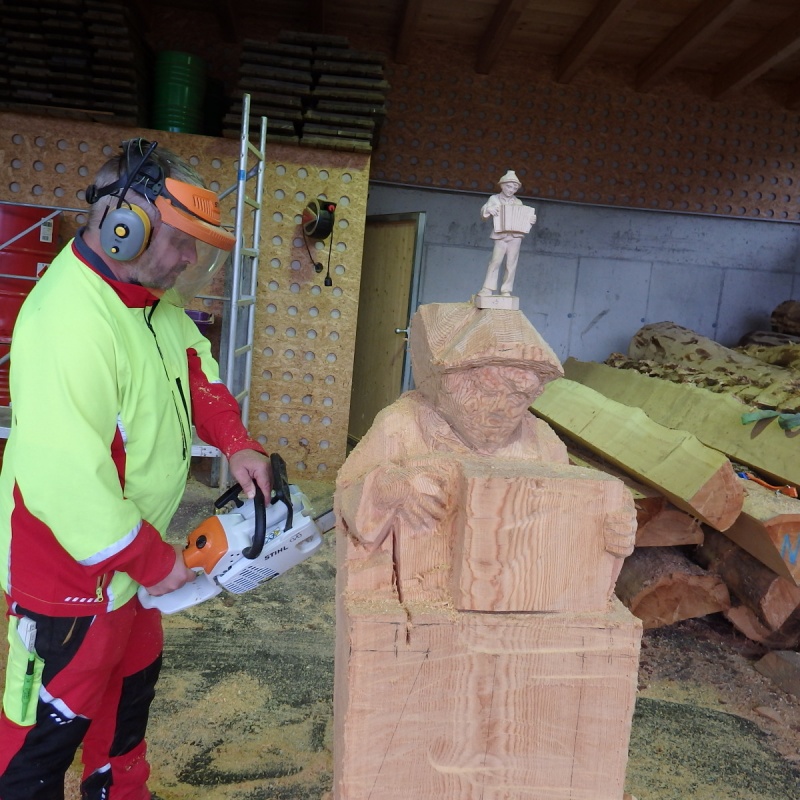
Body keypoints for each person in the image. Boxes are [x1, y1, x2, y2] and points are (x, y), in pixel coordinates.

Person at [0, 138, 271, 800]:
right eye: (180, 242)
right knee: (41, 739)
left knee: (126, 707)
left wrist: (236, 442)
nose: (188, 261)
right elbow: (66, 479)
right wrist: (152, 560)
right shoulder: (67, 322)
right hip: (67, 576)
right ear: (124, 226)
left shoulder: (150, 301)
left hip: (132, 569)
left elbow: (193, 367)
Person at [478, 170, 535, 297]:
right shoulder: (494, 199)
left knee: (511, 263)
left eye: (514, 188)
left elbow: (523, 218)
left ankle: (506, 289)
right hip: (500, 235)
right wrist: (489, 210)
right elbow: (483, 213)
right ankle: (487, 288)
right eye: (509, 186)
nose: (511, 190)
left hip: (515, 236)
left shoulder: (518, 202)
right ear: (502, 185)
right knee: (495, 261)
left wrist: (530, 220)